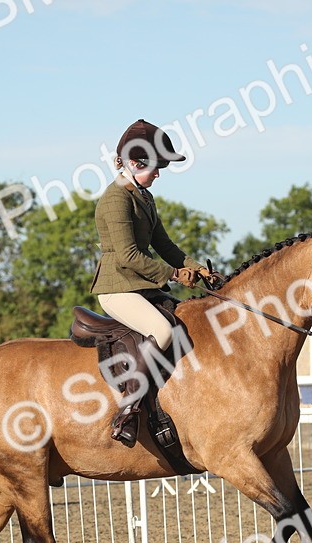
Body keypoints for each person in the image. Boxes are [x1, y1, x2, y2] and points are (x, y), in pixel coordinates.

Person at [91, 119, 207, 446]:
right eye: (155, 167)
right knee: (163, 331)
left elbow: (165, 245)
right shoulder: (115, 199)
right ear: (134, 163)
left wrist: (197, 268)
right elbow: (128, 255)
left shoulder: (143, 196)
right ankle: (128, 410)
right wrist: (173, 274)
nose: (158, 174)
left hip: (140, 286)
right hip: (117, 287)